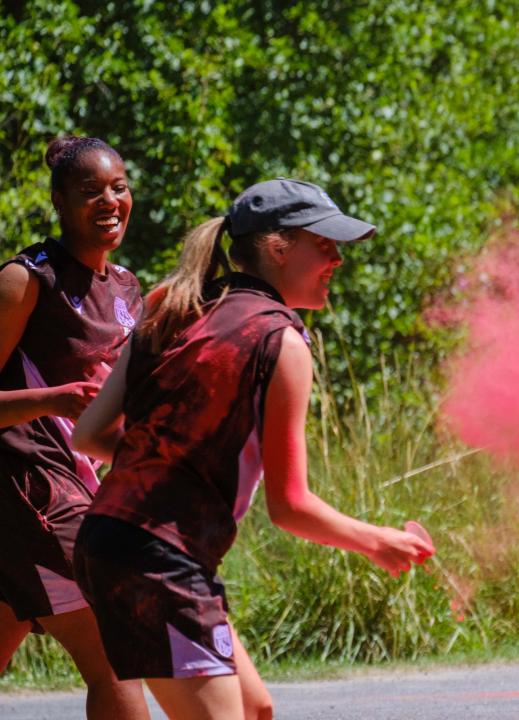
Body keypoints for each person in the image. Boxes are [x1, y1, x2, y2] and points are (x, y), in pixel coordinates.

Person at [71, 178, 435, 720]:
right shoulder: (280, 341)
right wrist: (377, 541)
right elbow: (290, 507)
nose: (337, 258)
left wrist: (169, 460)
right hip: (159, 559)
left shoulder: (172, 304)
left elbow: (91, 435)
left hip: (111, 540)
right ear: (279, 247)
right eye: (326, 243)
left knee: (256, 710)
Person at [0, 137, 148, 717]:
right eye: (90, 192)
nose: (109, 201)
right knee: (115, 651)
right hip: (31, 489)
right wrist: (51, 399)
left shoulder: (126, 287)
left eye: (119, 187)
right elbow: (66, 400)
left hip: (87, 489)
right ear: (59, 201)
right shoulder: (27, 280)